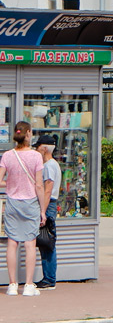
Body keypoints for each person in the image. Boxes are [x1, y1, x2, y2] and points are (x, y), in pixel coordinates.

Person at [1, 121, 45, 294]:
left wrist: (10, 183)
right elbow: (39, 185)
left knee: (12, 243)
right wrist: (42, 210)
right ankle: (28, 285)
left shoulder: (7, 155)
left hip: (12, 201)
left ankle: (12, 285)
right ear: (28, 134)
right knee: (29, 243)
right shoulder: (35, 156)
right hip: (30, 202)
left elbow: (0, 180)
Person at [35, 136, 60, 290]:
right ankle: (48, 277)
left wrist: (42, 211)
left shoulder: (49, 166)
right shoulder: (52, 164)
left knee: (47, 242)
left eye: (37, 147)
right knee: (46, 242)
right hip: (49, 204)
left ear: (44, 148)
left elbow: (48, 189)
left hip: (48, 204)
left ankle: (49, 279)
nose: (36, 150)